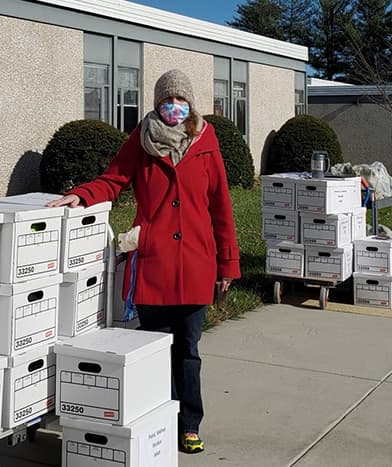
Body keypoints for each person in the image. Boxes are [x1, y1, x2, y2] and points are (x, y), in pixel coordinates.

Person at [47, 69, 241, 454]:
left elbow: (221, 206)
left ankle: (189, 424)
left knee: (188, 350)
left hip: (197, 265)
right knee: (154, 351)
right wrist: (82, 195)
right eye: (167, 100)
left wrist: (228, 264)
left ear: (190, 104)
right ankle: (159, 421)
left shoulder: (205, 141)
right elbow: (113, 179)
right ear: (156, 104)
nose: (174, 107)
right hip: (154, 266)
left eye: (181, 101)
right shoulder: (141, 139)